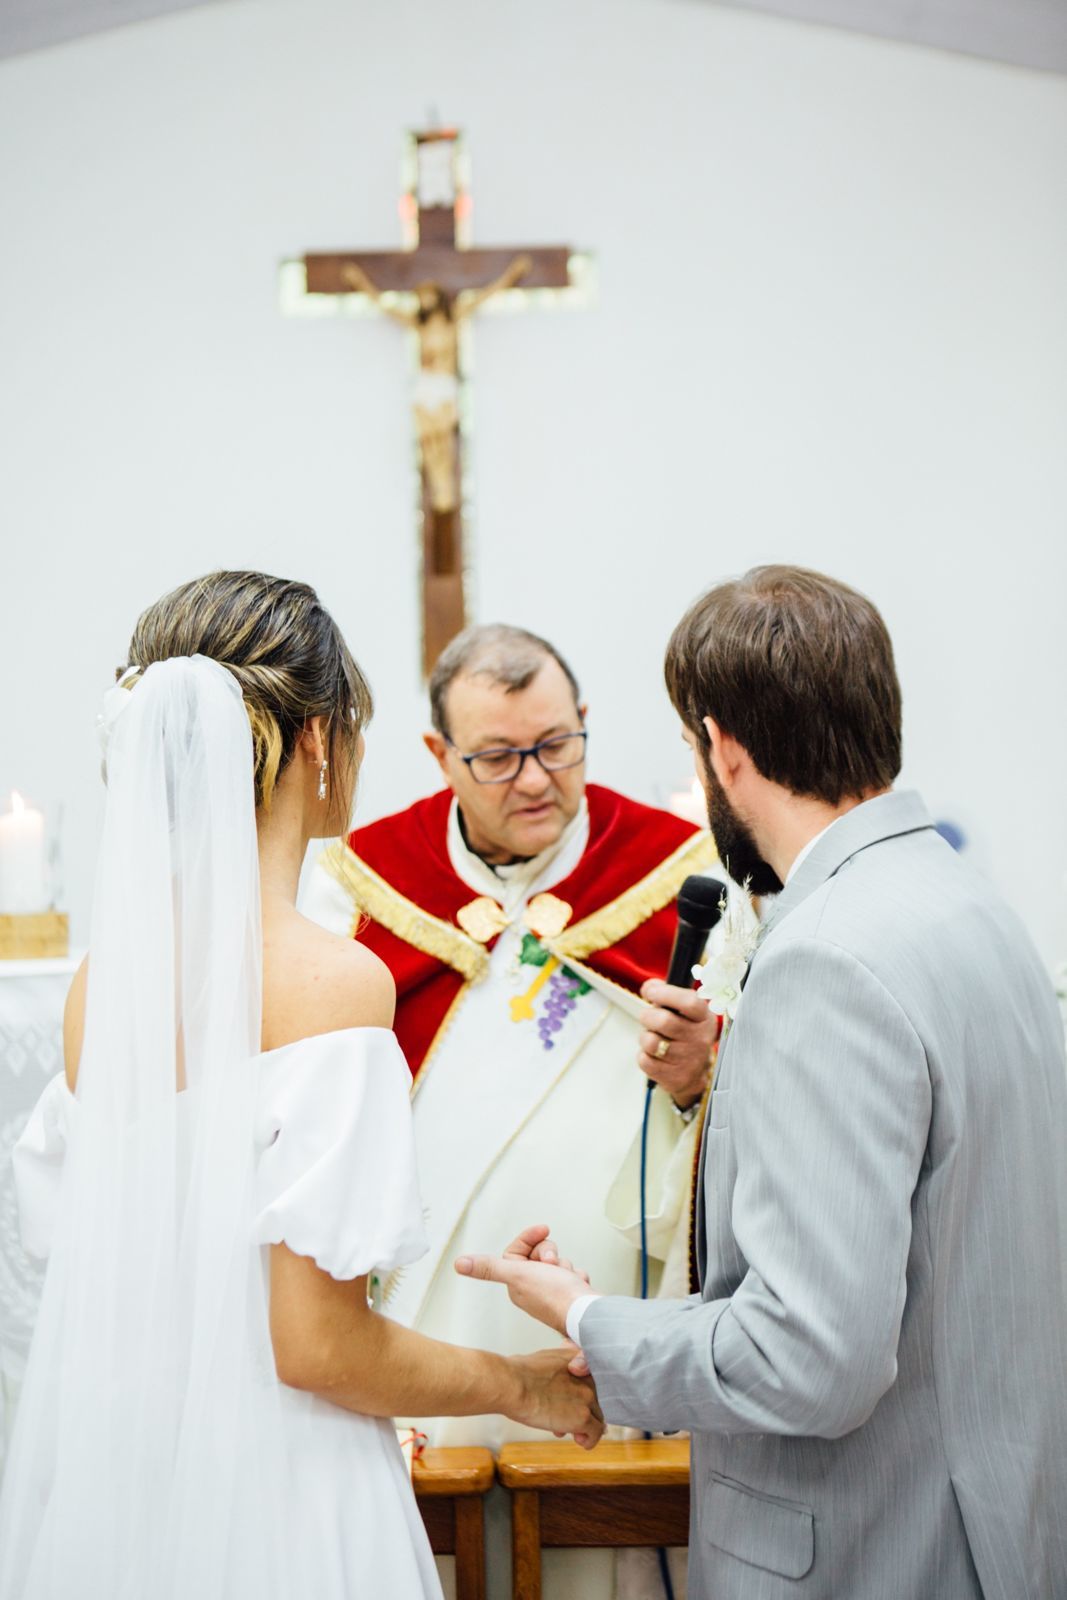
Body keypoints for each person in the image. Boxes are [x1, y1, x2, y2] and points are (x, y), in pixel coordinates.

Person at [457, 565, 1067, 1600]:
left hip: (880, 1548)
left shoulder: (823, 957)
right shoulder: (970, 906)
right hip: (995, 1516)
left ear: (722, 749)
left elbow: (808, 1359)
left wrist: (587, 1319)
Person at [0, 572, 602, 1600]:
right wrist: (520, 1388)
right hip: (280, 1500)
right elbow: (318, 1346)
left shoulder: (105, 986)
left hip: (136, 1494)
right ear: (322, 740)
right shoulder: (333, 979)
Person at [300, 621, 722, 1599]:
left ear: (582, 724)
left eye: (556, 745)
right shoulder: (358, 891)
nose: (534, 779)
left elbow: (746, 1102)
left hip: (603, 1310)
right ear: (438, 755)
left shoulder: (676, 875)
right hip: (423, 1322)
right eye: (495, 757)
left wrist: (704, 1075)